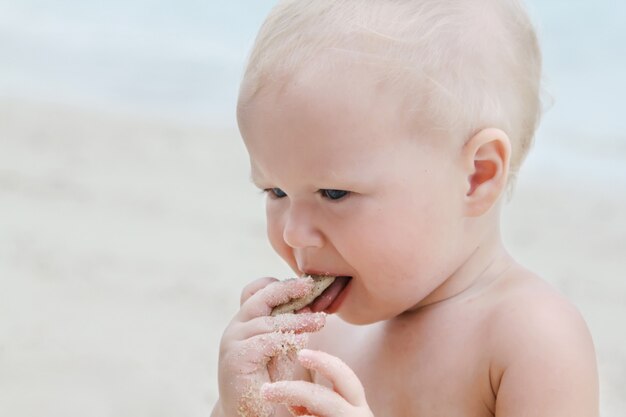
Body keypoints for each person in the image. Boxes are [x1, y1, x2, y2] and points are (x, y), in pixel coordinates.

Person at [212, 0, 599, 416]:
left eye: (333, 193)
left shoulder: (531, 338)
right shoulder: (315, 339)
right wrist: (243, 405)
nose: (292, 232)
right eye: (275, 192)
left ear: (476, 176)